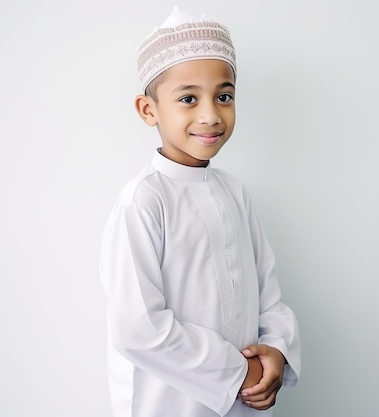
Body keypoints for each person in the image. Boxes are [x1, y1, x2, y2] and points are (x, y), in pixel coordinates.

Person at [99, 6, 301, 417]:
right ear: (148, 109)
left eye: (223, 96)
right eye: (188, 98)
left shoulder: (234, 192)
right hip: (168, 404)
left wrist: (277, 351)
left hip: (244, 401)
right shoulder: (143, 201)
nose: (211, 115)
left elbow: (270, 296)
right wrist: (236, 373)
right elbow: (137, 328)